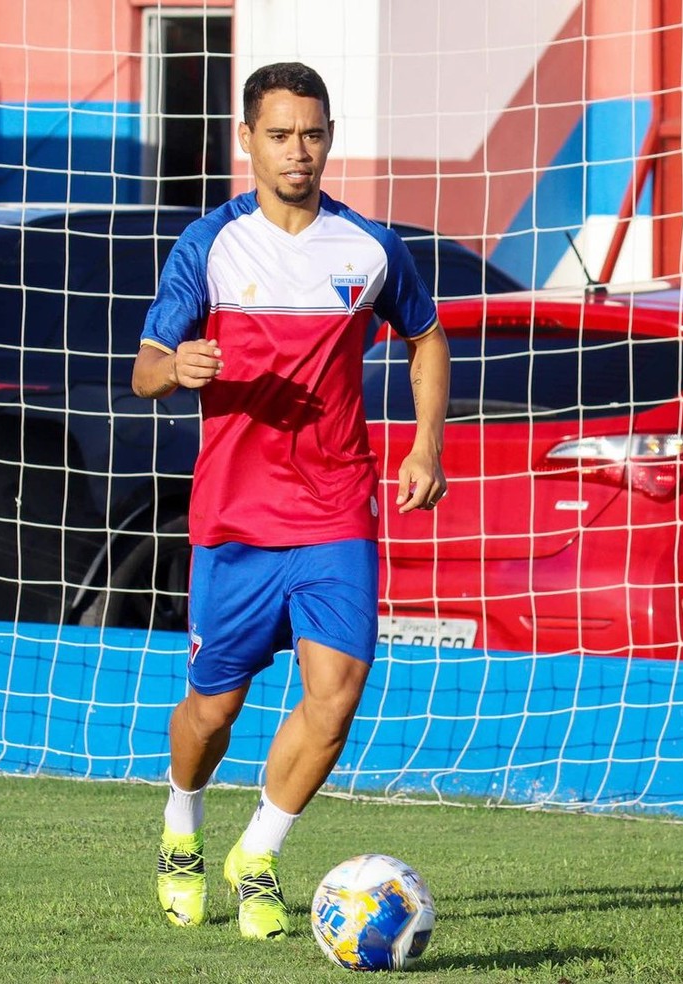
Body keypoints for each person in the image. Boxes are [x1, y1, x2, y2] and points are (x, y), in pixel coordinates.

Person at [131, 61, 450, 941]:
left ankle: (260, 854)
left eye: (311, 133)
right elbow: (145, 368)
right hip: (234, 518)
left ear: (330, 138)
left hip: (337, 509)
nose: (297, 151)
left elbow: (427, 338)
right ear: (247, 141)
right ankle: (182, 828)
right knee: (213, 711)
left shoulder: (370, 248)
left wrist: (426, 444)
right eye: (278, 135)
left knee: (337, 693)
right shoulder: (209, 245)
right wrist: (178, 366)